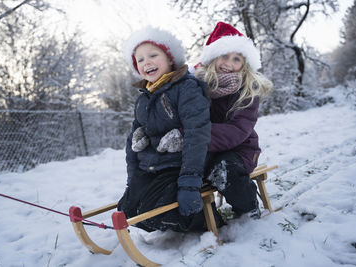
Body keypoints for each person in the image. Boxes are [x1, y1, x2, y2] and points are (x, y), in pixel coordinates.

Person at [117, 26, 223, 232]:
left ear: (170, 59)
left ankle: (206, 220)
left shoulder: (186, 88)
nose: (146, 62)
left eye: (153, 55)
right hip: (151, 168)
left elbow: (197, 133)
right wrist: (133, 179)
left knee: (153, 212)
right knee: (128, 210)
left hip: (179, 166)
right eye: (139, 59)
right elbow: (132, 144)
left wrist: (190, 183)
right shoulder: (143, 99)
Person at [194, 21, 273, 219]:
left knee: (225, 169)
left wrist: (197, 135)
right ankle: (200, 218)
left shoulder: (247, 90)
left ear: (244, 64)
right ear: (213, 58)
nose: (229, 63)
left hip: (241, 150)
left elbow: (238, 130)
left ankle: (248, 206)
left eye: (236, 59)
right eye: (224, 56)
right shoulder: (198, 86)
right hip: (206, 148)